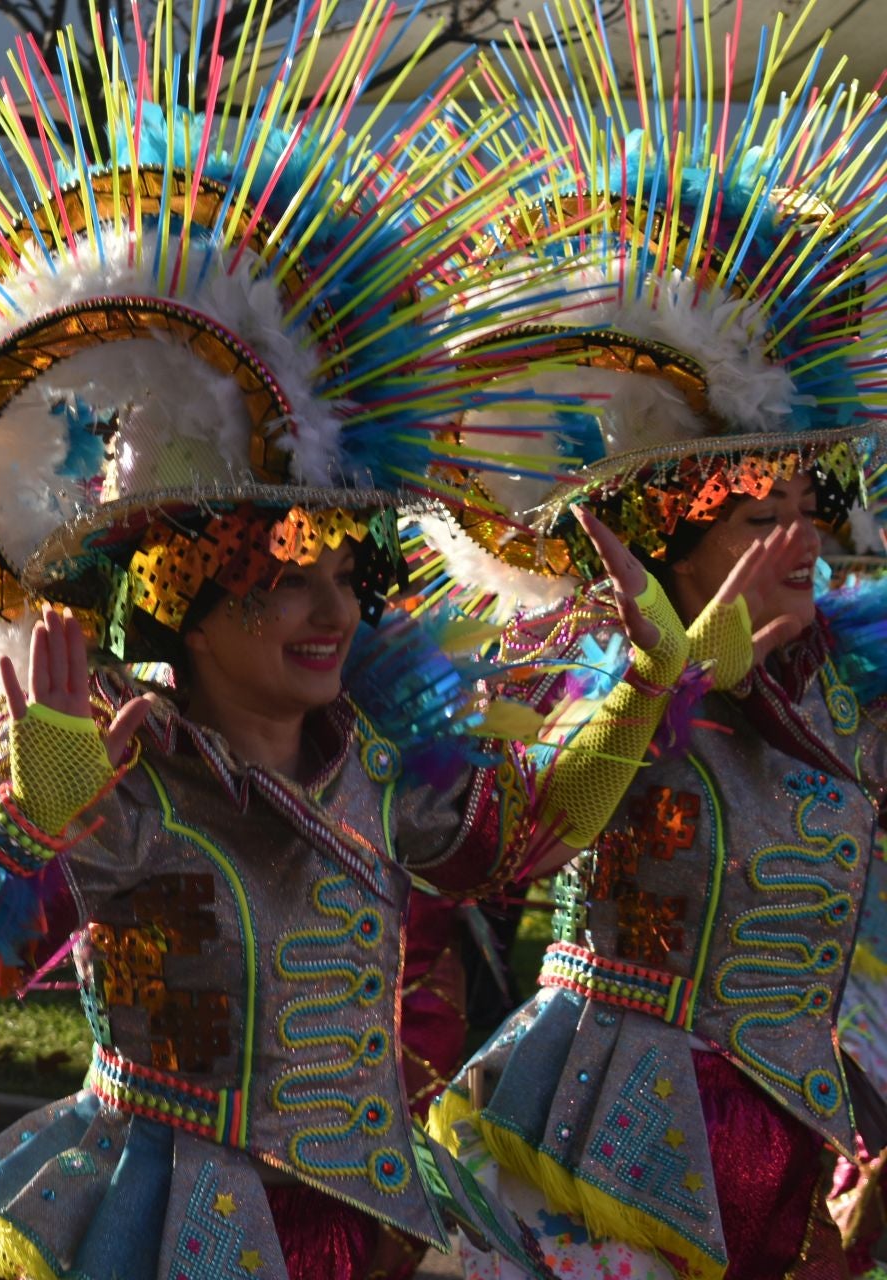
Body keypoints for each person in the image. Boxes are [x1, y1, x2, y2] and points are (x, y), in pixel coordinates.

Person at [0, 2, 808, 1275]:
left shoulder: (378, 762)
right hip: (161, 1225)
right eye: (285, 575)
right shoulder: (118, 772)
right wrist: (27, 818)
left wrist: (648, 673)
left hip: (377, 1226)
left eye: (353, 569)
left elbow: (531, 835)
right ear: (178, 591)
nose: (332, 608)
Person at [418, 3, 887, 1276]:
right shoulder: (579, 665)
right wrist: (650, 678)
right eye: (759, 511)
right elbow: (500, 844)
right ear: (667, 541)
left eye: (809, 505)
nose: (800, 539)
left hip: (800, 1134)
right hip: (602, 1123)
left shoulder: (856, 679)